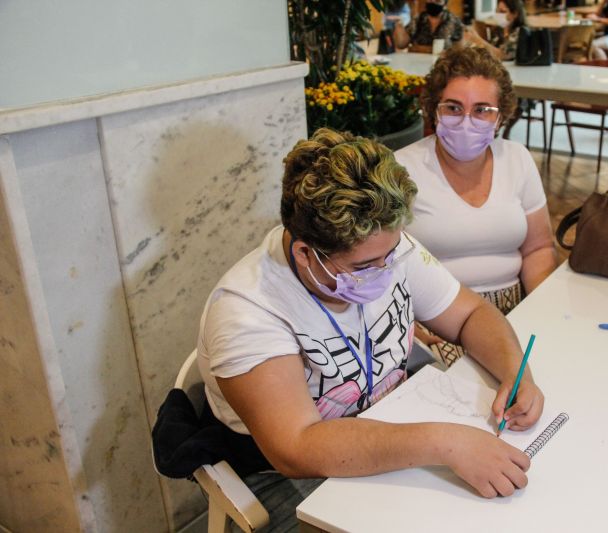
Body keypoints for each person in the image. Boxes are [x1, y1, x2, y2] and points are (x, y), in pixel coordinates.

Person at [196, 127, 546, 526]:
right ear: (306, 254)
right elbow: (295, 447)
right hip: (284, 471)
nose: (386, 271)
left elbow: (470, 315)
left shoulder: (381, 246)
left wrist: (516, 371)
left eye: (392, 254)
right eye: (363, 267)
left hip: (387, 421)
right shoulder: (247, 311)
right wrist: (444, 442)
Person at [394, 46, 557, 367]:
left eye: (482, 109)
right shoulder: (401, 169)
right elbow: (380, 264)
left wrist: (542, 310)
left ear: (501, 115)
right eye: (453, 107)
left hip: (515, 308)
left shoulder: (517, 159)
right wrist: (410, 323)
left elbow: (538, 248)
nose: (467, 121)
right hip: (436, 319)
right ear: (433, 109)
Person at [463, 0, 528, 61]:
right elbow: (489, 53)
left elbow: (504, 55)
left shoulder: (520, 32)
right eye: (497, 11)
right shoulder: (498, 33)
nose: (498, 14)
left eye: (502, 11)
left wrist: (477, 39)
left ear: (514, 14)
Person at [393, 0, 464, 53]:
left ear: (445, 3)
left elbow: (459, 50)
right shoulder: (418, 20)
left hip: (442, 66)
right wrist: (399, 25)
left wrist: (417, 48)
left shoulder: (454, 21)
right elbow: (401, 44)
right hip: (416, 64)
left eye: (437, 0)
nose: (433, 2)